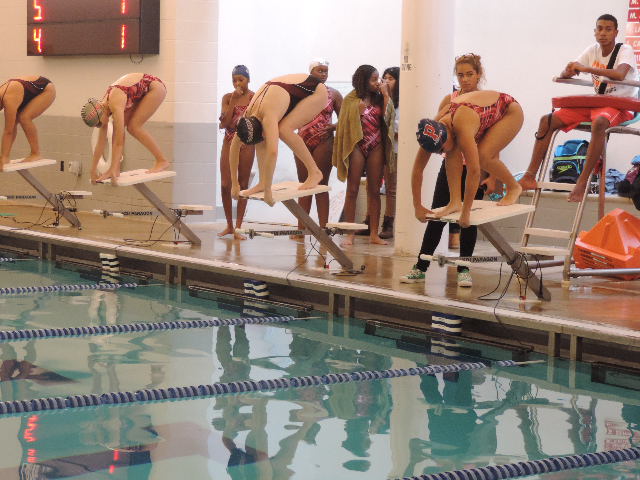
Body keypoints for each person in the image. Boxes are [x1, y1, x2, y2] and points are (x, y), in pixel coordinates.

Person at [519, 14, 639, 202]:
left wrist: (587, 69)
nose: (603, 33)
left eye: (608, 29)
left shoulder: (625, 49)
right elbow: (572, 69)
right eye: (599, 28)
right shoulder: (592, 50)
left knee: (600, 123)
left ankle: (582, 182)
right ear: (594, 32)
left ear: (616, 32)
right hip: (597, 102)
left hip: (620, 105)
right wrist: (568, 70)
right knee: (546, 120)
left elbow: (619, 74)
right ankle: (529, 176)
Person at [401, 54, 490, 287]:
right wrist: (416, 205)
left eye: (470, 74)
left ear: (479, 74)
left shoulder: (486, 100)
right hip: (451, 165)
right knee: (438, 216)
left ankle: (464, 268)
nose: (465, 79)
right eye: (460, 75)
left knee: (467, 220)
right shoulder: (449, 100)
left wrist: (493, 177)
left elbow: (492, 141)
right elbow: (434, 130)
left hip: (475, 166)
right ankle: (421, 266)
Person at [414, 88, 523, 232]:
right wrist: (417, 207)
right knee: (451, 151)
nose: (441, 152)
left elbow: (474, 170)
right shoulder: (430, 133)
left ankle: (514, 187)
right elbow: (417, 170)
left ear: (445, 133)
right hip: (478, 115)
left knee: (483, 156)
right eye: (438, 151)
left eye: (441, 148)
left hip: (509, 110)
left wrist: (466, 213)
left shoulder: (461, 126)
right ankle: (454, 202)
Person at [230, 73, 327, 207]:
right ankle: (262, 182)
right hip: (286, 90)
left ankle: (315, 172)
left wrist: (269, 191)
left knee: (284, 130)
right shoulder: (247, 116)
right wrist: (235, 184)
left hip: (316, 91)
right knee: (265, 136)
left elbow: (273, 152)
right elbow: (233, 148)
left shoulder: (268, 117)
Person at [333, 65, 388, 246]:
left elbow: (389, 117)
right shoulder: (351, 99)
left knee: (373, 190)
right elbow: (343, 124)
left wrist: (386, 95)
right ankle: (350, 233)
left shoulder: (380, 98)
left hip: (376, 144)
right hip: (356, 144)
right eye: (374, 79)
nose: (377, 82)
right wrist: (356, 110)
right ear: (363, 81)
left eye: (378, 78)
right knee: (353, 189)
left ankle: (374, 234)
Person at [81, 73, 168, 183]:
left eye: (98, 123)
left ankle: (162, 160)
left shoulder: (115, 103)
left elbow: (119, 141)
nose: (100, 126)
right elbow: (100, 143)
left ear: (100, 114)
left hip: (154, 87)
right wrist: (92, 170)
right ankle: (115, 170)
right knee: (117, 131)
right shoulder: (103, 109)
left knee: (133, 127)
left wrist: (111, 167)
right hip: (136, 92)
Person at [292, 59, 343, 235]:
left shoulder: (333, 94)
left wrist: (333, 126)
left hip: (324, 141)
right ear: (311, 72)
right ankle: (301, 228)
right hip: (302, 140)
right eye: (319, 71)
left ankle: (324, 228)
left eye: (325, 71)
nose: (323, 74)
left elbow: (345, 119)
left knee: (321, 184)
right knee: (304, 185)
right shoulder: (299, 93)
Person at [218, 65, 255, 239]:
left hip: (247, 144)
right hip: (229, 140)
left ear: (248, 79)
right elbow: (224, 123)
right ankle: (229, 225)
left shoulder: (254, 98)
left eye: (241, 79)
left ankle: (239, 227)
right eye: (234, 80)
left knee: (242, 184)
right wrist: (233, 101)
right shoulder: (227, 98)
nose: (237, 83)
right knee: (226, 184)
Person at [0, 76, 55, 171]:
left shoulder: (9, 98)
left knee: (24, 117)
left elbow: (8, 130)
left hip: (45, 89)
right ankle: (6, 157)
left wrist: (4, 158)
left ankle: (36, 153)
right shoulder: (4, 95)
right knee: (17, 120)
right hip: (27, 92)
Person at [380, 66, 399, 240]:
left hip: (397, 151)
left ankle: (389, 224)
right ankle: (370, 221)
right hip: (382, 150)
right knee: (381, 187)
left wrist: (387, 96)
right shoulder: (380, 100)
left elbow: (394, 128)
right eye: (384, 78)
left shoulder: (403, 103)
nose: (386, 82)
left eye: (391, 78)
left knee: (392, 189)